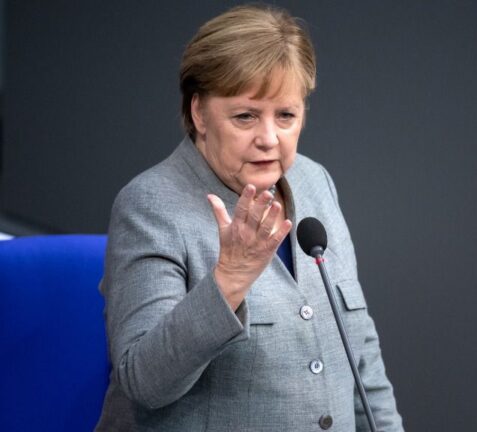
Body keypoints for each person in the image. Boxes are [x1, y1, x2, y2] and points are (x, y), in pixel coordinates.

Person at [96, 5, 404, 431]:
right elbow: (143, 382)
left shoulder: (315, 182)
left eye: (286, 116)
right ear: (199, 112)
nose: (268, 138)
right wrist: (230, 280)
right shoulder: (150, 206)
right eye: (245, 116)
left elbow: (360, 353)